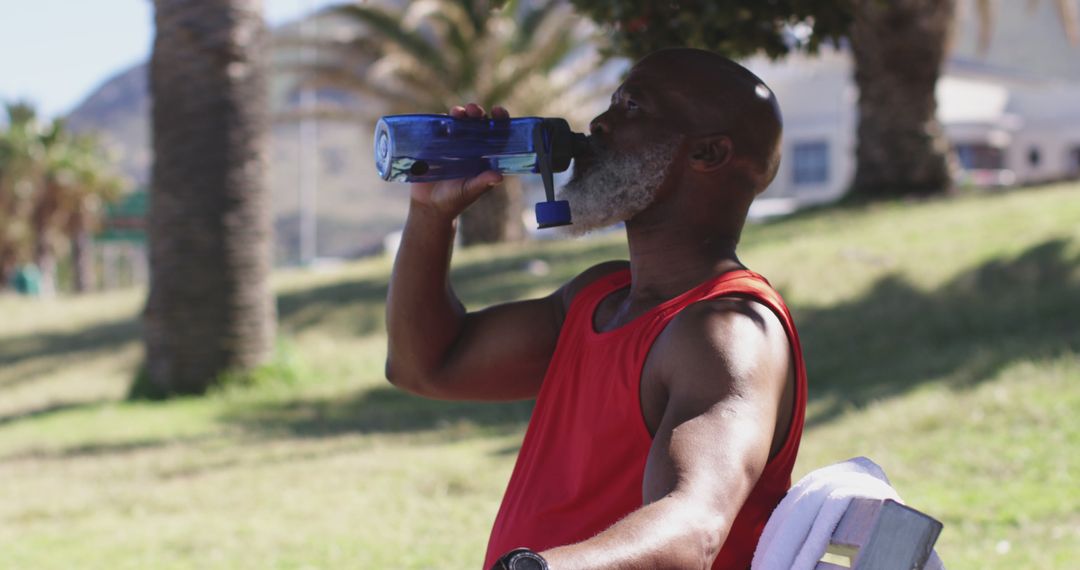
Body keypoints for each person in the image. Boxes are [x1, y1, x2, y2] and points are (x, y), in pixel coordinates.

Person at [385, 48, 807, 570]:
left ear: (709, 153)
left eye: (633, 107)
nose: (600, 124)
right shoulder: (597, 298)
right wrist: (431, 214)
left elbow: (692, 528)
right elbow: (426, 366)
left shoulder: (727, 333)